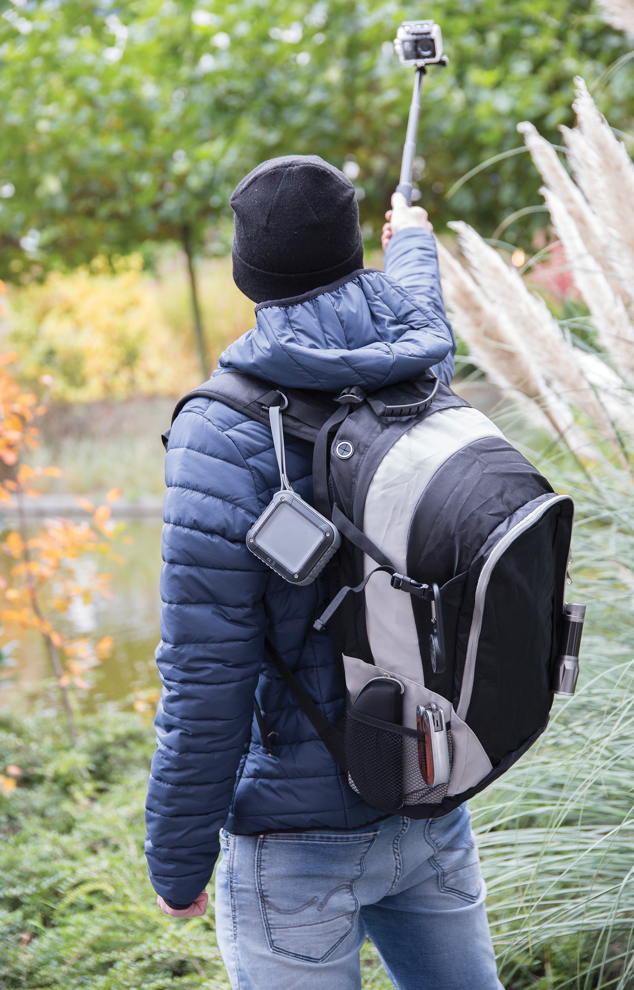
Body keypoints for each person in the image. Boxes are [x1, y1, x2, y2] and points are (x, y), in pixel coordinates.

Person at [145, 154, 504, 990]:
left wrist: (178, 863)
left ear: (247, 273)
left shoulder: (219, 432)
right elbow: (420, 307)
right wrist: (412, 238)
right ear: (352, 253)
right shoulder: (416, 369)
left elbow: (205, 676)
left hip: (291, 843)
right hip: (425, 785)